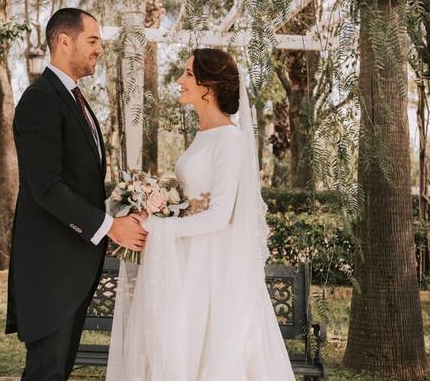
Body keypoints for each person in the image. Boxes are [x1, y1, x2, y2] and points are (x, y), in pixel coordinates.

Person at [106, 48, 295, 380]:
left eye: (188, 74)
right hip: (186, 261)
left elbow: (221, 215)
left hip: (210, 270)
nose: (180, 80)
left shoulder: (230, 140)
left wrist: (155, 226)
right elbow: (193, 200)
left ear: (210, 86)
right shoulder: (204, 136)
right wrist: (158, 205)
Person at [6, 7, 148, 381]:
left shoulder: (73, 99)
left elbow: (81, 182)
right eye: (93, 40)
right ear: (63, 41)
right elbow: (47, 187)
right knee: (46, 372)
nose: (99, 49)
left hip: (73, 267)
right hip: (51, 271)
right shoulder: (41, 99)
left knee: (57, 372)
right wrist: (110, 227)